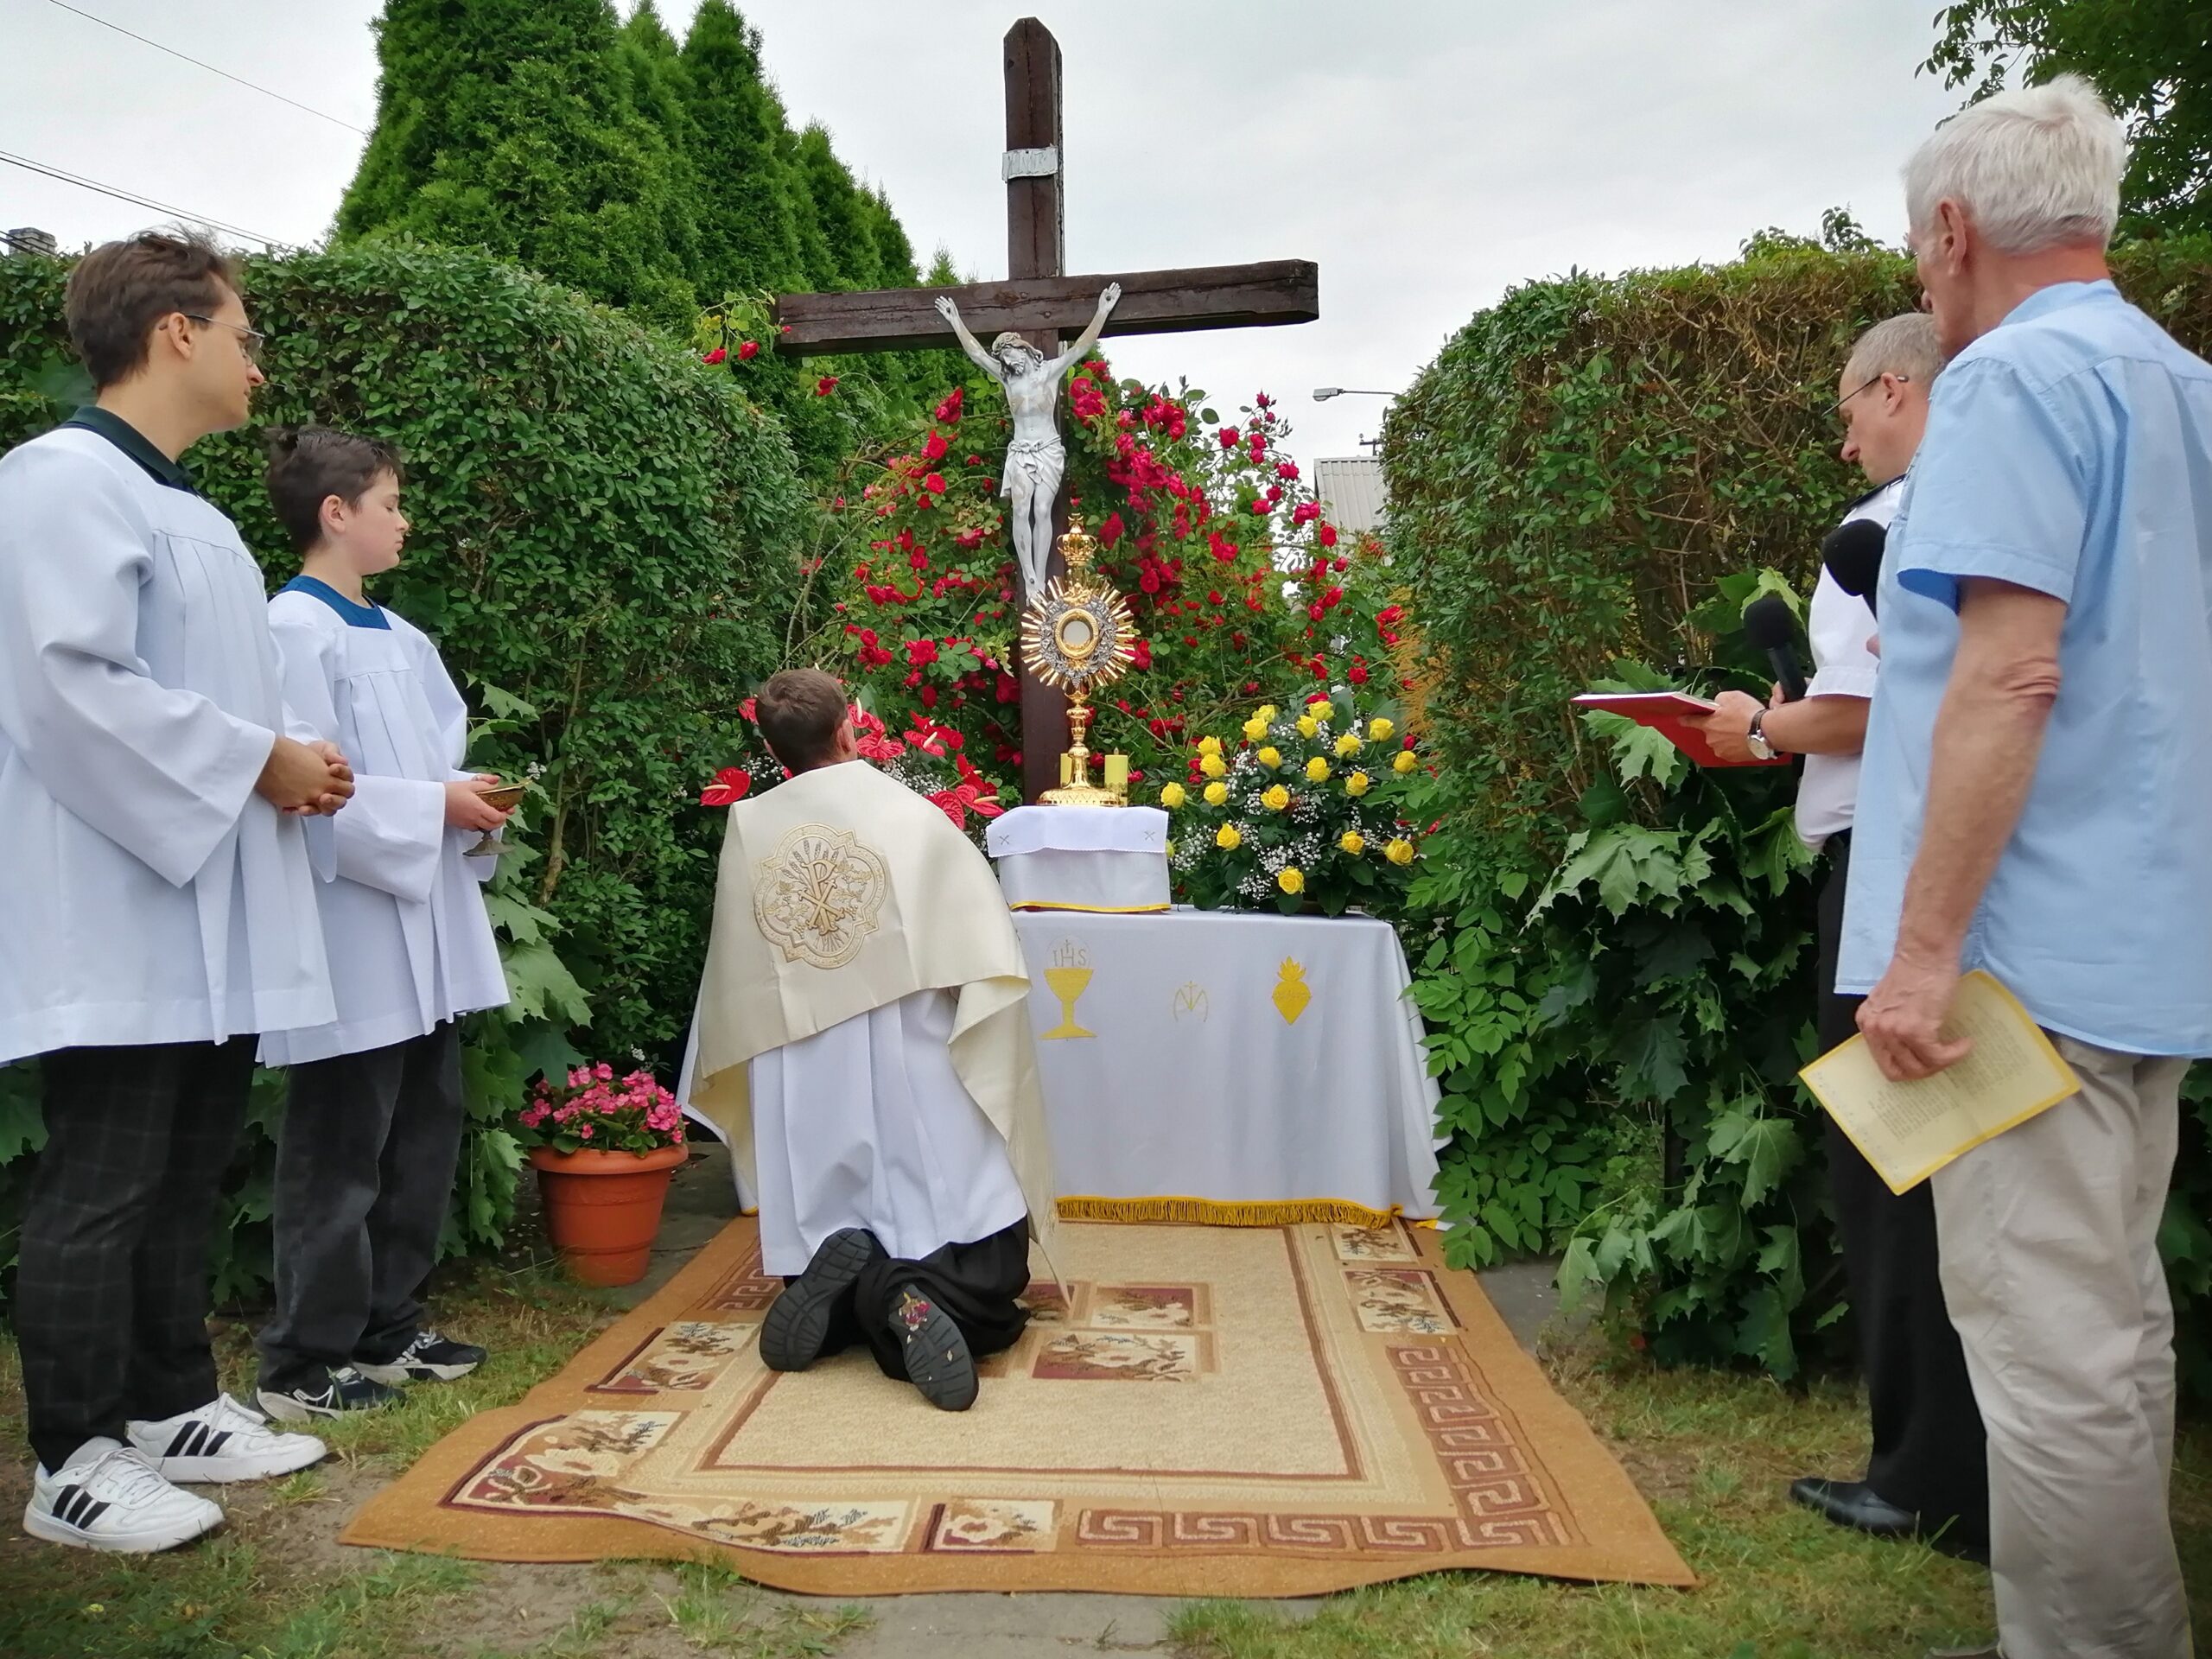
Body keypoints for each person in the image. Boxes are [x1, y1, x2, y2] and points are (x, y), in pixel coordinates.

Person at [1840, 77, 2212, 1659]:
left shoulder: (2004, 382)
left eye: (1917, 251)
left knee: (2049, 1357)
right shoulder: (2185, 386)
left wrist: (1923, 957)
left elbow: (2010, 674)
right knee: (2111, 1331)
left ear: (1953, 229)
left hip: (2022, 967)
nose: (1923, 281)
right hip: (2150, 942)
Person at [0, 231, 350, 1553]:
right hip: (115, 903)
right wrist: (256, 758)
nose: (258, 364)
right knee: (102, 1182)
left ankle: (169, 1405)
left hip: (206, 903)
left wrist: (289, 759)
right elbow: (67, 685)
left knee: (186, 1166)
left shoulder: (193, 513)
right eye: (245, 336)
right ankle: (73, 1461)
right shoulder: (56, 482)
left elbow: (200, 693)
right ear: (177, 332)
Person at [1700, 315, 1988, 1558]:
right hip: (1925, 853)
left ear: (1896, 386)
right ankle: (1957, 1459)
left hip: (1890, 864)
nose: (1844, 435)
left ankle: (1927, 1474)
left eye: (1849, 407)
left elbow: (1874, 708)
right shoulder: (1975, 511)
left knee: (1892, 1162)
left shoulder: (1892, 530)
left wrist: (1761, 730)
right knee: (1935, 1162)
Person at [686, 669, 1059, 1411]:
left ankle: (828, 1300)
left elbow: (737, 976)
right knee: (980, 1252)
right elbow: (980, 947)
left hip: (800, 1061)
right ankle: (909, 1297)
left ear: (772, 748)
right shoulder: (910, 815)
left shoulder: (750, 830)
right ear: (849, 730)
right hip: (909, 1051)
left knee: (826, 1212)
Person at [251, 428, 513, 1421]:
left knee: (419, 1135)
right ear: (337, 513)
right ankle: (301, 1360)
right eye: (390, 504)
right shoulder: (291, 630)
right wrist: (433, 807)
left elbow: (432, 760)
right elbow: (307, 786)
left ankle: (387, 1324)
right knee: (339, 1148)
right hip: (350, 931)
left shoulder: (402, 638)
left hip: (426, 930)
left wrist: (468, 798)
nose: (404, 522)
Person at [935, 283, 1120, 601]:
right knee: (1021, 512)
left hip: (1047, 450)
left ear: (1020, 348)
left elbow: (1080, 347)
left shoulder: (1049, 372)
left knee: (1042, 509)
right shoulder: (1008, 379)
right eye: (1003, 359)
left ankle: (1040, 575)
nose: (1007, 363)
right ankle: (1031, 578)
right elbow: (977, 354)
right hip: (1021, 452)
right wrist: (956, 321)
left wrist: (1102, 311)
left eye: (1008, 354)